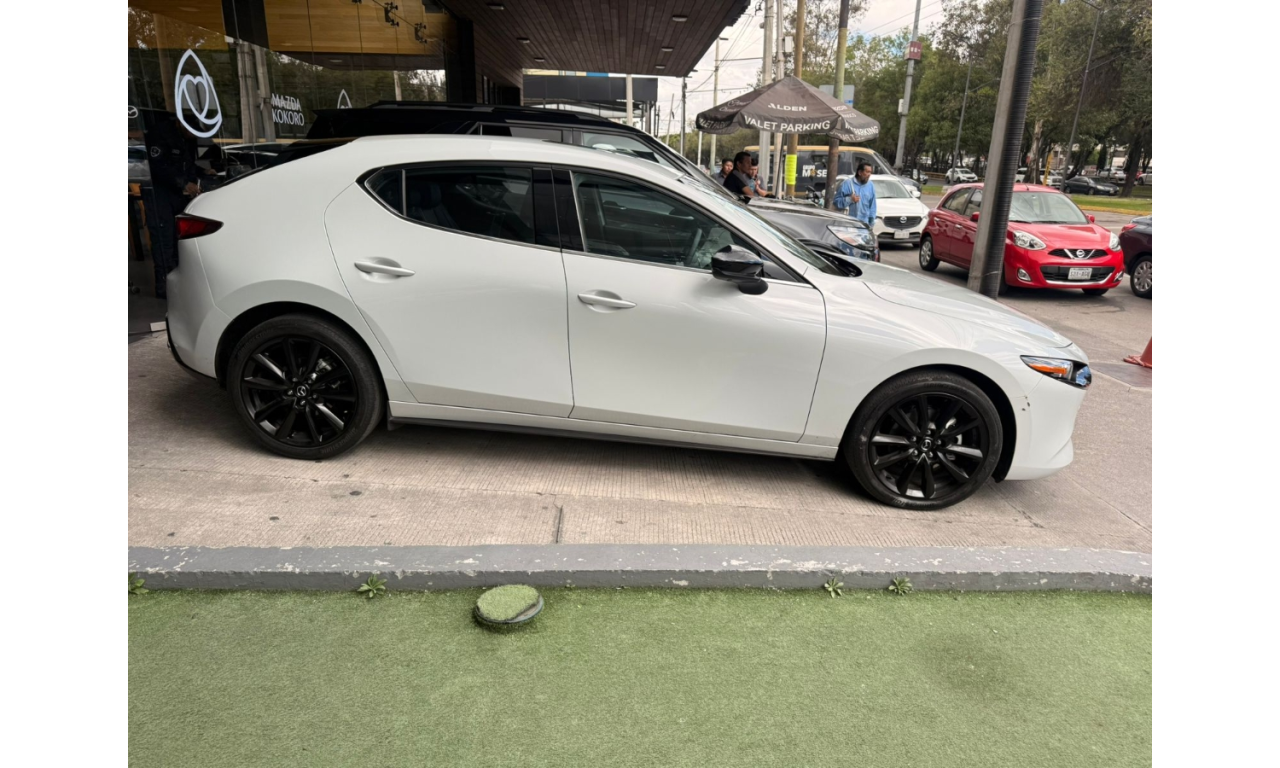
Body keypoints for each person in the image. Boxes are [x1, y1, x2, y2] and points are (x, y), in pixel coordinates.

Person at [143, 112, 202, 299]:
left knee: (179, 239)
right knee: (164, 240)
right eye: (191, 131)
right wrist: (183, 183)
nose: (193, 135)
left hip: (177, 194)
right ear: (180, 124)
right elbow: (158, 167)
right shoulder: (160, 135)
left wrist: (200, 174)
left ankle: (178, 283)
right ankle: (164, 286)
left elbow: (188, 164)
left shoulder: (186, 139)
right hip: (159, 193)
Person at [835, 161, 877, 227]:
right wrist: (850, 199)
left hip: (863, 225)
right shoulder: (847, 184)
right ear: (860, 172)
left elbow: (872, 206)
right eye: (867, 172)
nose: (869, 174)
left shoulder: (870, 185)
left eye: (870, 172)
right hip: (848, 225)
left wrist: (871, 223)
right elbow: (836, 202)